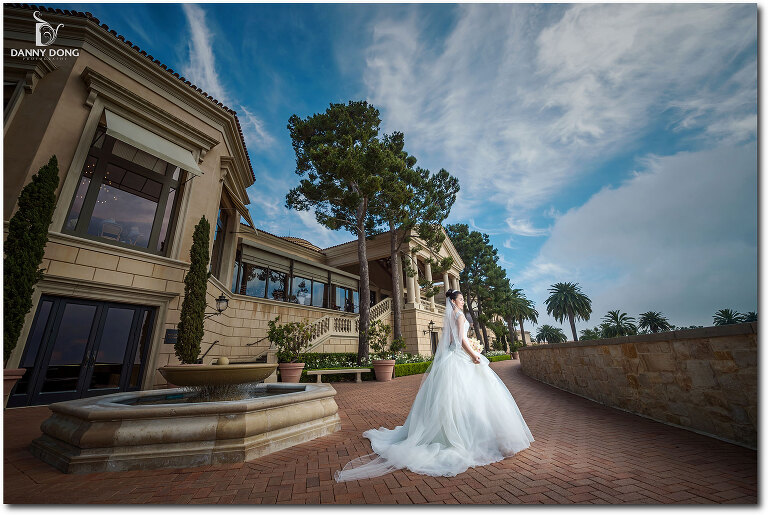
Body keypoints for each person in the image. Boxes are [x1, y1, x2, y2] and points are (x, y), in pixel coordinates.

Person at [334, 289, 534, 482]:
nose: (463, 301)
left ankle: (448, 432)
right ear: (454, 301)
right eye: (461, 299)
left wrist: (465, 350)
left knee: (451, 397)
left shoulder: (449, 317)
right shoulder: (460, 316)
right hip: (462, 358)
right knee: (471, 396)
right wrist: (474, 354)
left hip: (452, 359)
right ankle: (474, 436)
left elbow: (448, 342)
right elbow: (462, 340)